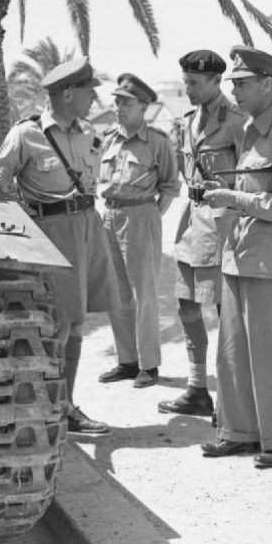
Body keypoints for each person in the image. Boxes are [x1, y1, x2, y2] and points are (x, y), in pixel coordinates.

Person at [0, 56, 119, 435]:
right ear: (68, 94)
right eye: (88, 91)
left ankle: (64, 404)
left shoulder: (88, 132)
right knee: (58, 324)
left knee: (75, 323)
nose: (93, 98)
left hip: (87, 228)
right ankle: (52, 407)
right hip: (52, 233)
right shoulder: (26, 134)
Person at [199, 46, 272, 468]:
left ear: (268, 84)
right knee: (232, 352)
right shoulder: (251, 131)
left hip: (269, 261)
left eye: (243, 84)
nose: (235, 91)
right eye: (233, 84)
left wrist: (234, 198)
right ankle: (239, 433)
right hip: (240, 254)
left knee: (271, 354)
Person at [158, 49, 245, 417]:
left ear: (215, 81)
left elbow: (249, 180)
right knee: (186, 303)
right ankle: (197, 389)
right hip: (191, 222)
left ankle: (233, 398)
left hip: (223, 225)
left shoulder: (237, 121)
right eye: (185, 82)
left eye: (194, 83)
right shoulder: (190, 120)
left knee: (227, 311)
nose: (188, 89)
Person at [96, 74, 180, 388]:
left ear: (143, 106)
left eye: (126, 103)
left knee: (144, 294)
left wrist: (150, 216)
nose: (118, 107)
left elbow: (170, 186)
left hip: (141, 216)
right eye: (117, 101)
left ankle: (149, 364)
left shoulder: (158, 141)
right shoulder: (108, 139)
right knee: (116, 293)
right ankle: (127, 361)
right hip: (110, 215)